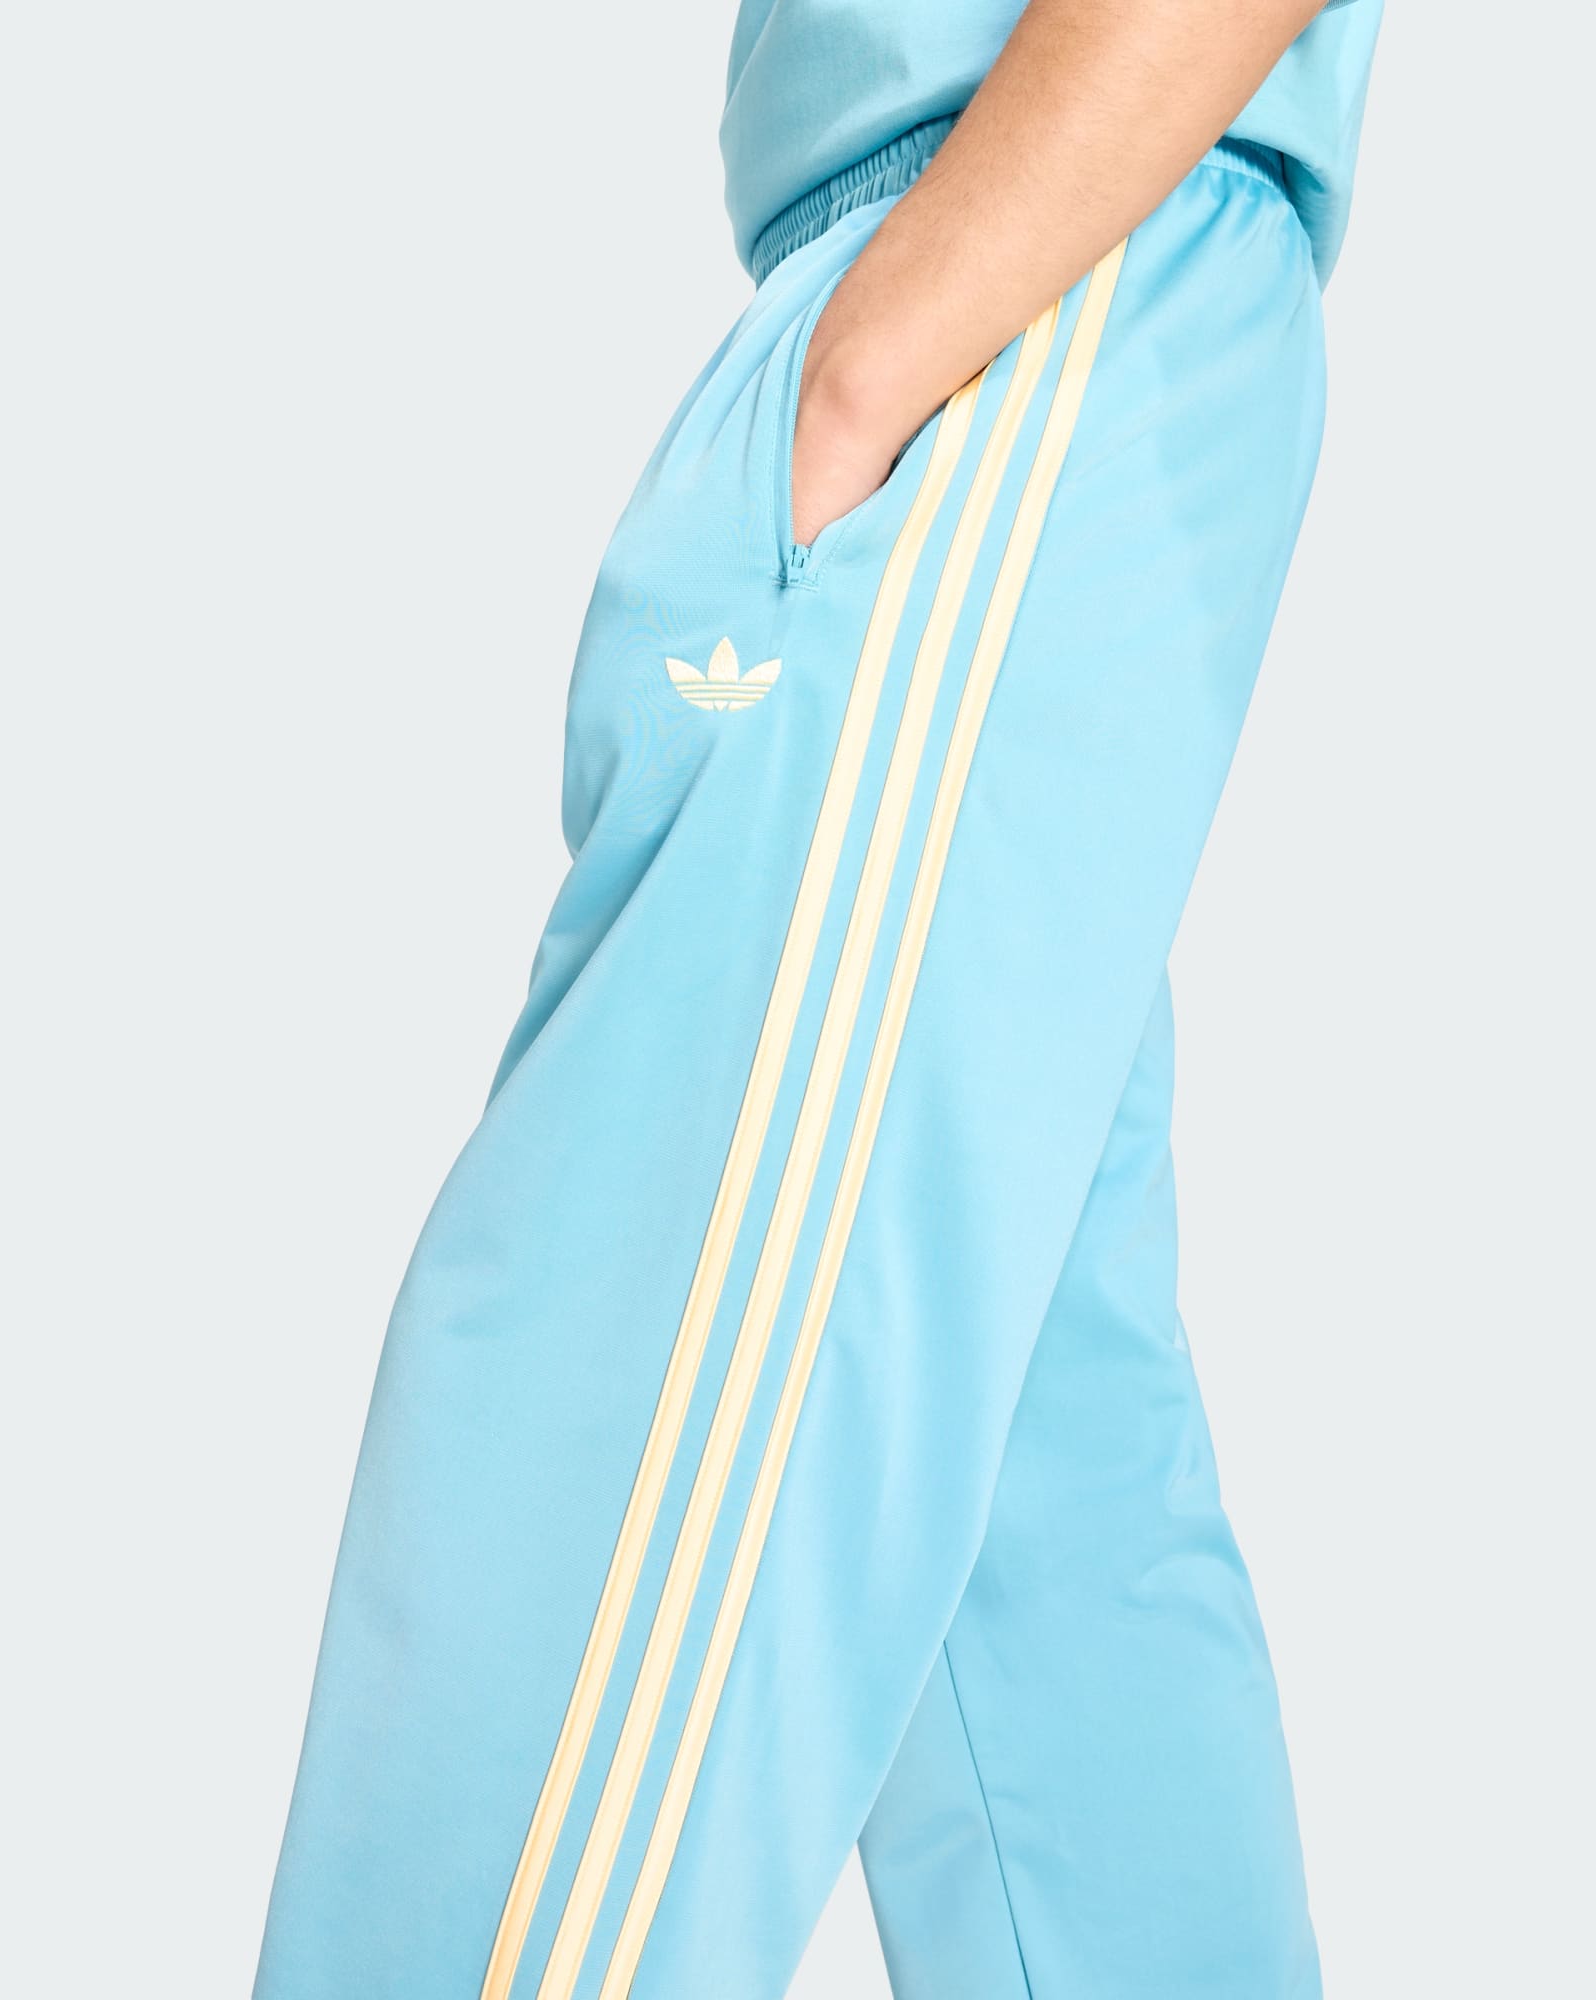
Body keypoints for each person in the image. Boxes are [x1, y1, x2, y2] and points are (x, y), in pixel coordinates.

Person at [255, 1, 1382, 1994]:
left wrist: (875, 359)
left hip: (1012, 262)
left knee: (613, 1380)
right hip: (999, 270)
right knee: (1035, 1537)